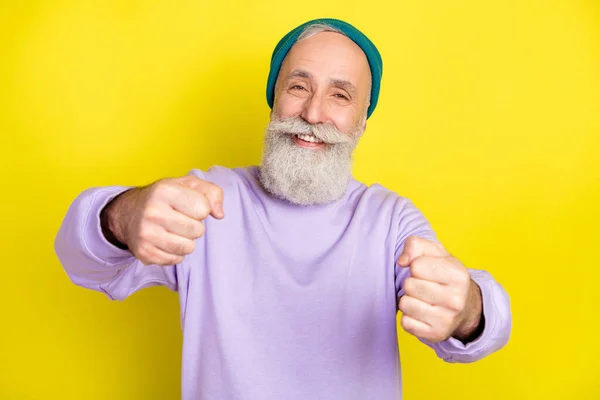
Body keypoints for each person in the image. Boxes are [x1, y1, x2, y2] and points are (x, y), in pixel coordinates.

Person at [55, 18, 511, 400]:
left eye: (340, 95)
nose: (313, 113)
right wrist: (124, 215)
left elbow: (481, 331)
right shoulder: (210, 197)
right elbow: (82, 262)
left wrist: (467, 308)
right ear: (275, 98)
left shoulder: (388, 219)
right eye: (298, 86)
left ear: (363, 121)